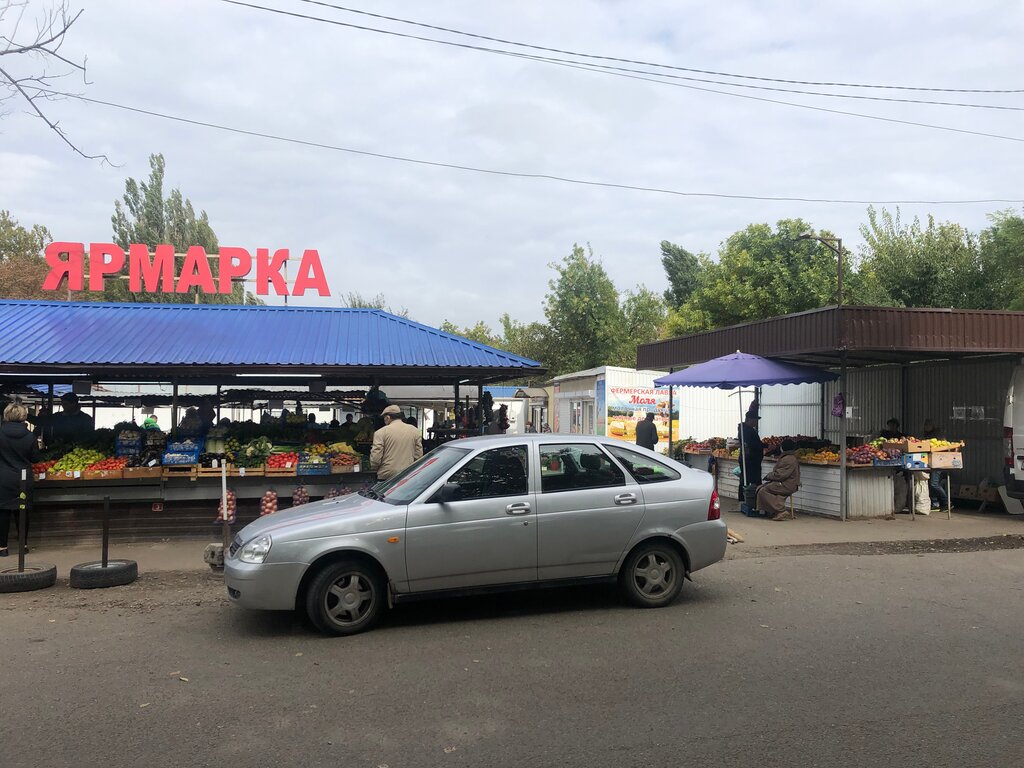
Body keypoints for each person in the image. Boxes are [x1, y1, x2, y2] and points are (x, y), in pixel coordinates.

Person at [0, 403, 40, 557]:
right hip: (23, 478)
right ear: (23, 417)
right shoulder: (29, 436)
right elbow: (35, 458)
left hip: (3, 477)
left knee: (3, 511)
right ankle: (23, 545)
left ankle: (2, 548)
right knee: (22, 510)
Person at [370, 405, 423, 481]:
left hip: (386, 474)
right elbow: (418, 455)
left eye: (384, 419)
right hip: (407, 474)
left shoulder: (380, 433)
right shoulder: (415, 431)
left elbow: (376, 457)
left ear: (388, 417)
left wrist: (375, 468)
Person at [756, 439, 800, 521]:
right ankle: (775, 511)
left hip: (786, 485)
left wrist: (768, 476)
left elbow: (781, 475)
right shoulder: (790, 457)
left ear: (783, 448)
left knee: (763, 490)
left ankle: (781, 510)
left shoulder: (788, 459)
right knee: (765, 488)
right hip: (787, 483)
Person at [921, 418, 950, 511]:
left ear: (932, 426)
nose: (926, 427)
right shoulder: (927, 435)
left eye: (928, 425)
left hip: (939, 460)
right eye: (925, 425)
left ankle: (947, 503)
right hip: (930, 461)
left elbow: (944, 446)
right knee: (930, 483)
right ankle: (935, 503)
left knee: (934, 483)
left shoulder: (938, 435)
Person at [739, 412, 763, 494]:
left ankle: (749, 500)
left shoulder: (748, 430)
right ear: (749, 420)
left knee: (748, 480)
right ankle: (748, 501)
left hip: (751, 461)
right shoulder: (745, 431)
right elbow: (751, 445)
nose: (756, 422)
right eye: (755, 420)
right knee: (749, 482)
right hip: (750, 462)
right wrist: (763, 446)